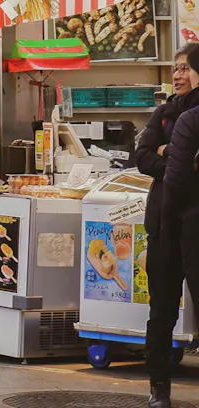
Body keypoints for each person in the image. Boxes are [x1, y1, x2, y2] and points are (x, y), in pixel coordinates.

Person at [143, 43, 199, 408]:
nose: (177, 74)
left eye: (185, 68)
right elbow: (142, 156)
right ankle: (158, 388)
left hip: (193, 225)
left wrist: (170, 154)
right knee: (161, 309)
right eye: (175, 68)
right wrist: (180, 160)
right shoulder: (164, 114)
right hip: (163, 224)